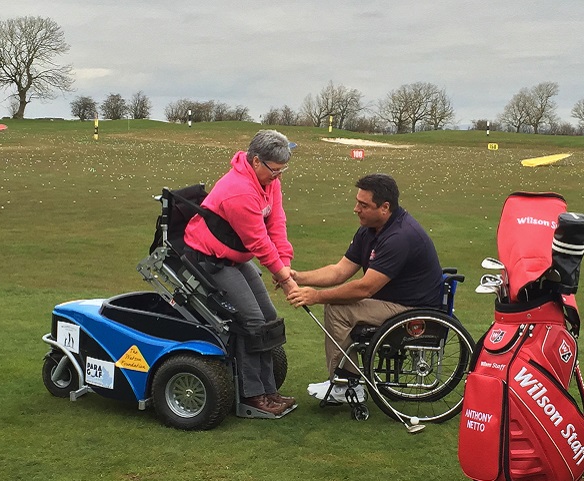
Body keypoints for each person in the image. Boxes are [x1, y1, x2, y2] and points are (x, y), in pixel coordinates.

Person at [286, 173, 444, 403]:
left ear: (385, 207)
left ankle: (347, 384)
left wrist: (316, 296)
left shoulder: (399, 237)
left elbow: (364, 289)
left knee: (338, 310)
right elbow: (340, 270)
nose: (356, 209)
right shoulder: (370, 229)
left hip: (412, 310)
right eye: (357, 202)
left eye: (363, 204)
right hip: (395, 302)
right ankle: (345, 380)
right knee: (337, 306)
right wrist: (298, 276)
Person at [184, 129, 298, 417]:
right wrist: (284, 279)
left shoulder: (269, 181)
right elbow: (258, 241)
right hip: (210, 259)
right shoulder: (239, 190)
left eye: (283, 170)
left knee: (269, 318)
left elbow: (277, 225)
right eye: (275, 171)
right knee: (252, 320)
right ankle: (253, 396)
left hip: (236, 257)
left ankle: (269, 390)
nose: (278, 177)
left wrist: (284, 264)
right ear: (256, 161)